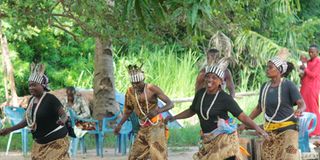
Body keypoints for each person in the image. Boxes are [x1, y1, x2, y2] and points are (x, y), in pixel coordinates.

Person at [166, 58, 268, 160]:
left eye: (214, 77)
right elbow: (192, 110)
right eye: (208, 77)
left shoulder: (225, 98)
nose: (210, 80)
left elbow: (242, 116)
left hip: (224, 141)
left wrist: (258, 129)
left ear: (220, 82)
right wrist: (174, 117)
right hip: (207, 139)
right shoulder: (200, 94)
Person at [240, 52, 306, 160]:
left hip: (288, 129)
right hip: (269, 131)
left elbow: (302, 104)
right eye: (267, 67)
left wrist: (300, 110)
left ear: (279, 70)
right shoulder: (264, 87)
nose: (267, 69)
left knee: (289, 155)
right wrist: (245, 122)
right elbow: (259, 108)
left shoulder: (288, 85)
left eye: (270, 67)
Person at [0, 63, 69, 160]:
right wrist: (9, 129)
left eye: (34, 85)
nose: (31, 88)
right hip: (39, 144)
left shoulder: (50, 98)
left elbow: (64, 115)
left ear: (42, 85)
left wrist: (62, 120)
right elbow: (26, 121)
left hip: (56, 142)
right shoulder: (31, 101)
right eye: (29, 85)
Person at [114, 64, 174, 160]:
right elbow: (128, 111)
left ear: (143, 79)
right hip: (143, 128)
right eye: (133, 83)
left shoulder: (151, 88)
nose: (135, 86)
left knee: (158, 156)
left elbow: (170, 104)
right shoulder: (130, 92)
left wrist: (157, 111)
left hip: (156, 127)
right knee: (134, 156)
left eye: (138, 83)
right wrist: (119, 125)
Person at [300, 44, 320, 136]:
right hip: (304, 87)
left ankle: (316, 130)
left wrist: (305, 69)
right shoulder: (308, 62)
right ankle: (304, 129)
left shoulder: (318, 62)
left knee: (313, 108)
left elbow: (313, 75)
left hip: (313, 88)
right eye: (309, 52)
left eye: (312, 52)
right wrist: (302, 67)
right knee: (303, 107)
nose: (310, 54)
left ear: (317, 52)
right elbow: (304, 74)